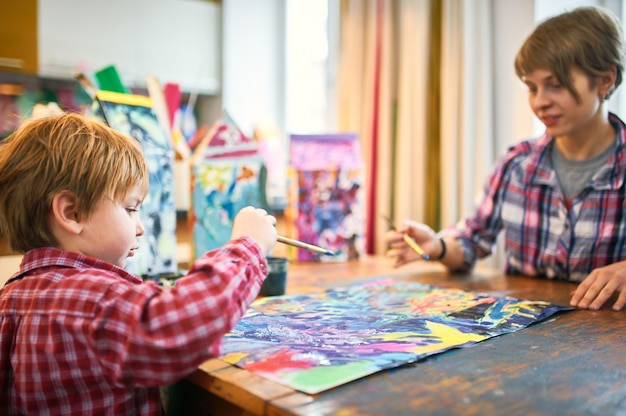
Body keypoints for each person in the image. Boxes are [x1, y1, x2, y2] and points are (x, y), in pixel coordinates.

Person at [0, 113, 278, 414]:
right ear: (72, 213)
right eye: (130, 209)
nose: (141, 227)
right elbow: (184, 322)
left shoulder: (10, 298)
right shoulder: (89, 300)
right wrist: (248, 247)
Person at [385, 6, 626, 312]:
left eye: (556, 85)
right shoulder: (516, 163)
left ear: (605, 80)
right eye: (532, 87)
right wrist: (439, 246)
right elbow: (472, 241)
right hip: (522, 339)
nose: (540, 102)